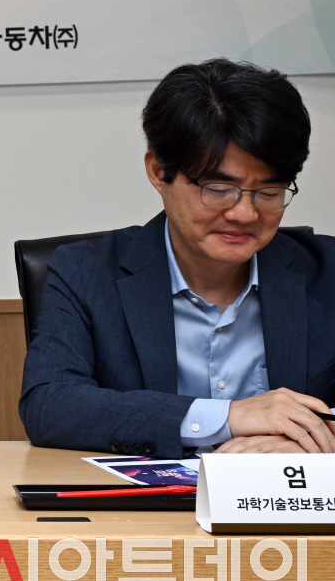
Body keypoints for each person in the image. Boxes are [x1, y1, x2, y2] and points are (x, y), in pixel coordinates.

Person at [21, 59, 335, 457]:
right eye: (218, 189)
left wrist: (312, 436)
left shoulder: (328, 271)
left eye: (269, 192)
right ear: (158, 171)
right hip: (146, 497)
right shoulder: (86, 272)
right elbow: (50, 405)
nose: (244, 214)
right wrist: (225, 417)